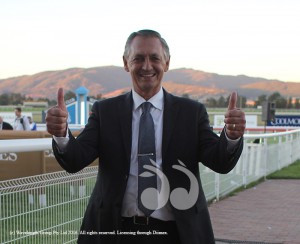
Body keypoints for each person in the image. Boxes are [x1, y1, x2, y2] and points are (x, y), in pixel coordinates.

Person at [46, 29, 246, 244]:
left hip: (178, 233)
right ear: (126, 63)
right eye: (138, 58)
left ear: (167, 63)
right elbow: (76, 159)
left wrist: (231, 136)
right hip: (116, 232)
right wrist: (62, 134)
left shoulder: (191, 112)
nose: (147, 66)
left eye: (155, 58)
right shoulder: (106, 112)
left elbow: (219, 160)